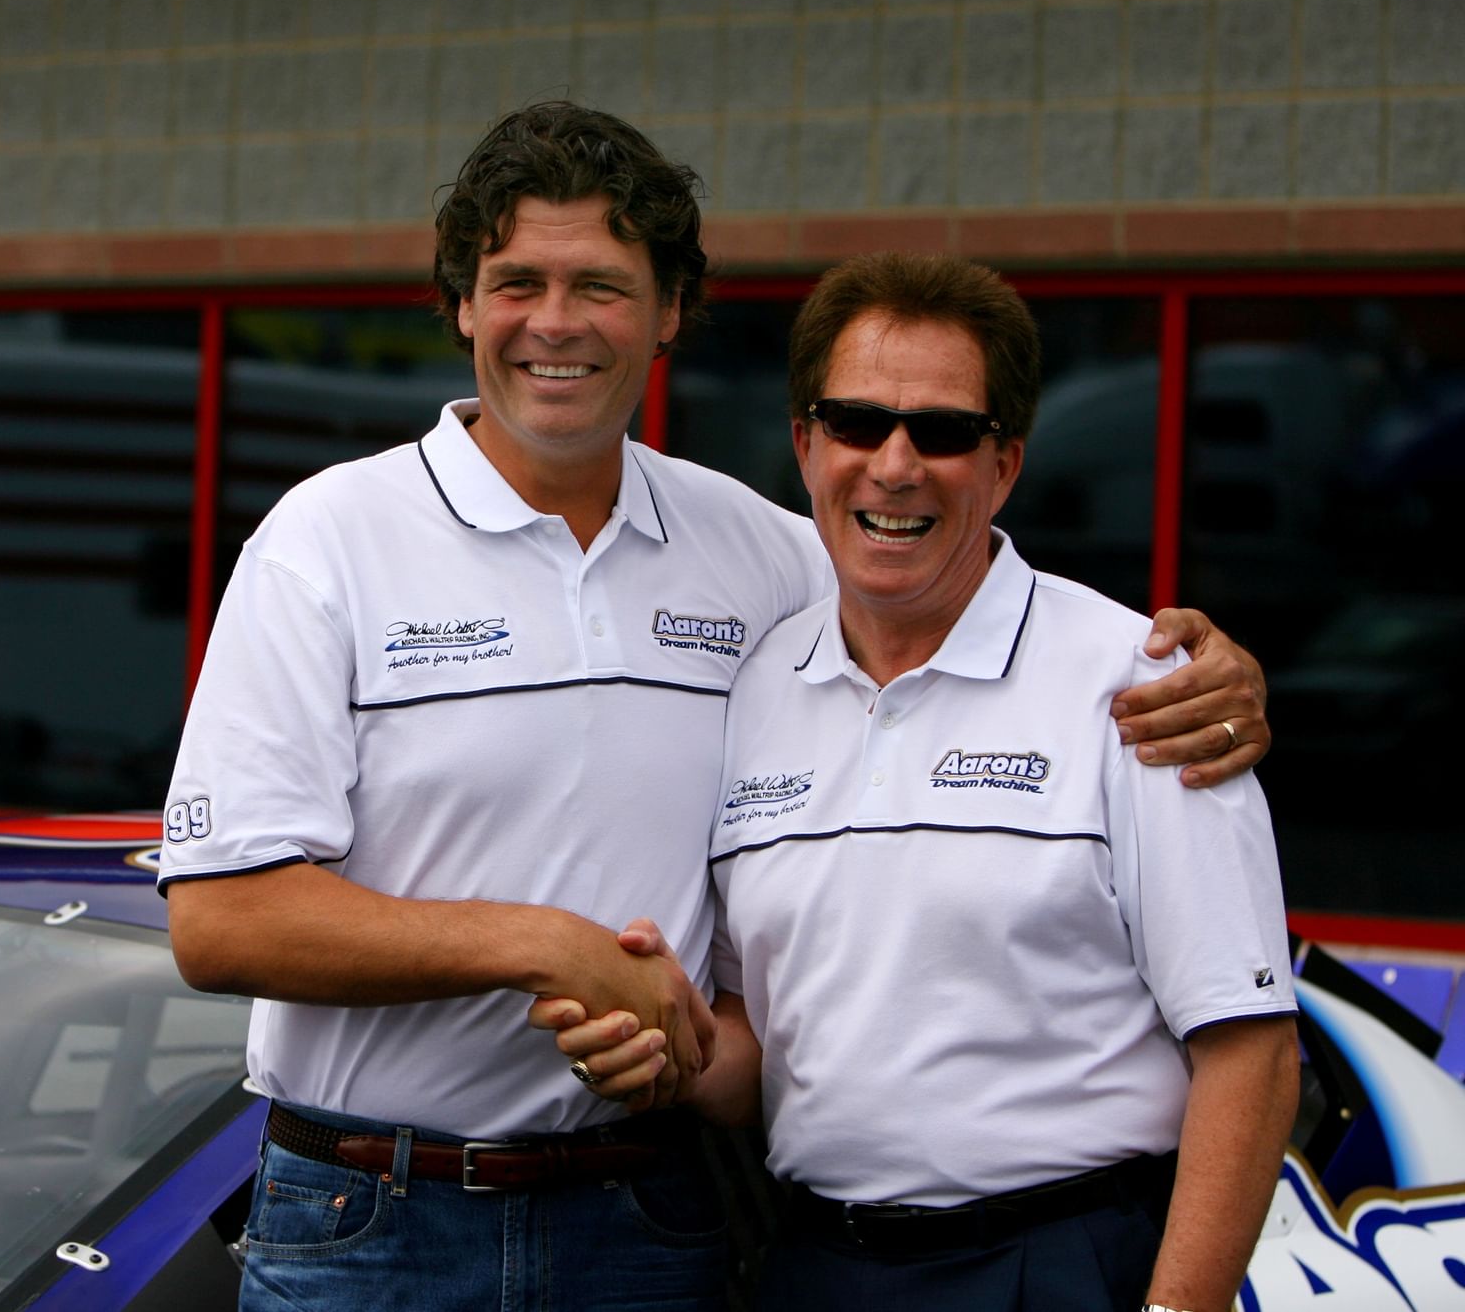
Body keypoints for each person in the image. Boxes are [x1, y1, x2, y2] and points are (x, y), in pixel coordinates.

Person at [160, 103, 1270, 1312]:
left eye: (602, 284)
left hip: (652, 1214)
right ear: (463, 302)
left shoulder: (759, 552)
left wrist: (1202, 669)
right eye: (517, 279)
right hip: (376, 1217)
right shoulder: (325, 544)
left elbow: (935, 564)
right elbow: (220, 924)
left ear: (670, 312)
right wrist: (543, 943)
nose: (556, 322)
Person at [545, 253, 1298, 1312]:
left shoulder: (1140, 686)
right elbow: (758, 1046)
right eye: (856, 422)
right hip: (819, 1265)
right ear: (806, 444)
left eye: (943, 432)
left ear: (1006, 465)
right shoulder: (754, 691)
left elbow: (1249, 1049)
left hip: (1067, 1260)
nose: (895, 466)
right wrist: (658, 1049)